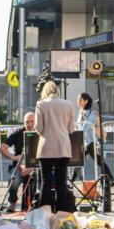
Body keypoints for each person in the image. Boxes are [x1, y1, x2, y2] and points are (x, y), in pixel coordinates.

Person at [35, 81, 76, 212]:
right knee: (61, 183)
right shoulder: (68, 105)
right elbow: (71, 129)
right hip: (63, 147)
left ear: (45, 92)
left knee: (45, 182)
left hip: (46, 147)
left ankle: (44, 214)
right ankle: (62, 214)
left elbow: (38, 128)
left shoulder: (41, 104)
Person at [0, 112, 36, 212]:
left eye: (32, 121)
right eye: (27, 122)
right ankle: (12, 202)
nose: (30, 124)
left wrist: (32, 168)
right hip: (19, 167)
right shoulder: (18, 132)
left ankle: (38, 204)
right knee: (13, 179)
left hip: (37, 167)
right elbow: (2, 148)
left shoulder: (41, 132)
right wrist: (13, 157)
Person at [76, 92, 113, 181]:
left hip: (91, 143)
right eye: (77, 99)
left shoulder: (91, 114)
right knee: (77, 163)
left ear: (86, 101)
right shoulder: (80, 113)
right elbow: (78, 126)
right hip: (84, 142)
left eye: (80, 100)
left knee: (100, 162)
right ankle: (70, 183)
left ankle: (111, 180)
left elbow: (84, 128)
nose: (78, 101)